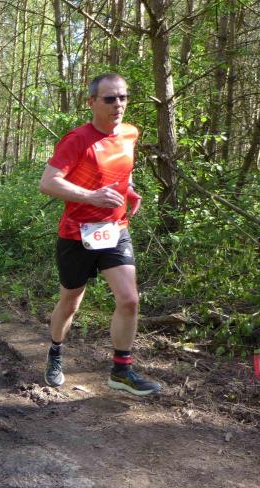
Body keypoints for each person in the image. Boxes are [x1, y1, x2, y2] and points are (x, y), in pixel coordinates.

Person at [38, 72, 160, 396]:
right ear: (92, 102)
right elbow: (48, 182)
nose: (118, 104)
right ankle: (55, 352)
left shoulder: (130, 133)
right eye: (110, 98)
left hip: (115, 228)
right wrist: (91, 196)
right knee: (70, 302)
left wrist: (129, 190)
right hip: (76, 233)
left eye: (123, 97)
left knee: (129, 299)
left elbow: (123, 171)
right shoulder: (77, 139)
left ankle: (121, 371)